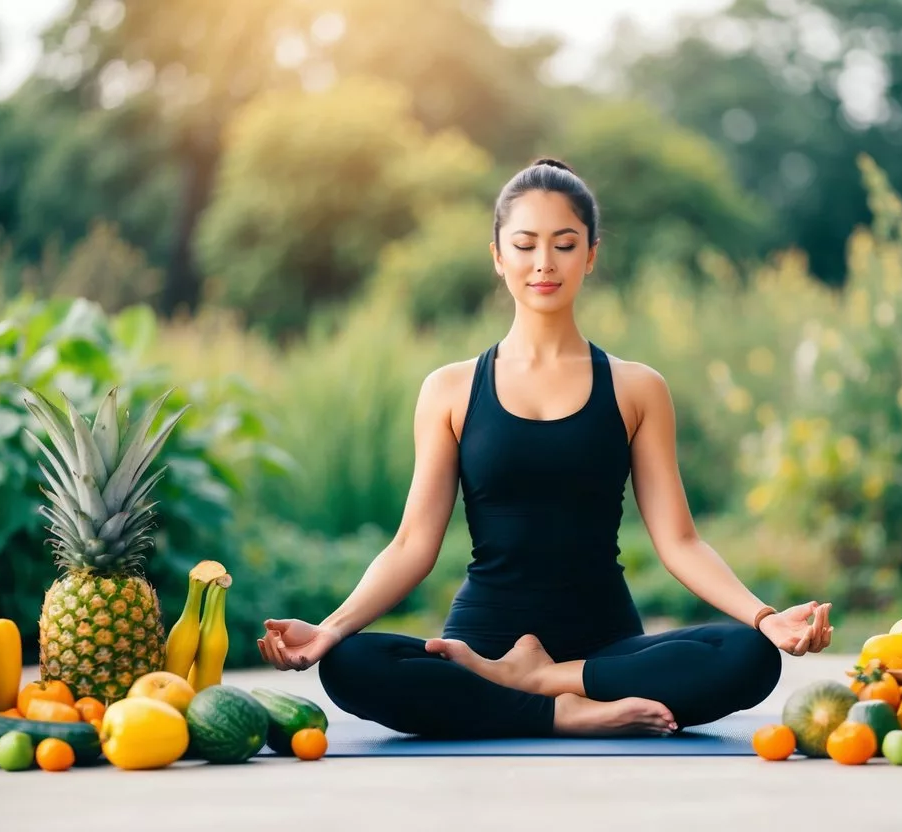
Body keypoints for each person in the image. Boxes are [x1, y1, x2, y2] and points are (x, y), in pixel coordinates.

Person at [256, 158, 834, 739]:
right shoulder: (450, 388)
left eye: (563, 244)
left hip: (607, 647)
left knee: (749, 654)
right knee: (351, 665)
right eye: (525, 244)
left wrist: (765, 617)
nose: (543, 263)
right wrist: (330, 630)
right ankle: (564, 710)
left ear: (591, 255)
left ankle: (540, 684)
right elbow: (411, 545)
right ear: (498, 256)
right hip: (482, 642)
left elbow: (680, 541)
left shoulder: (637, 388)